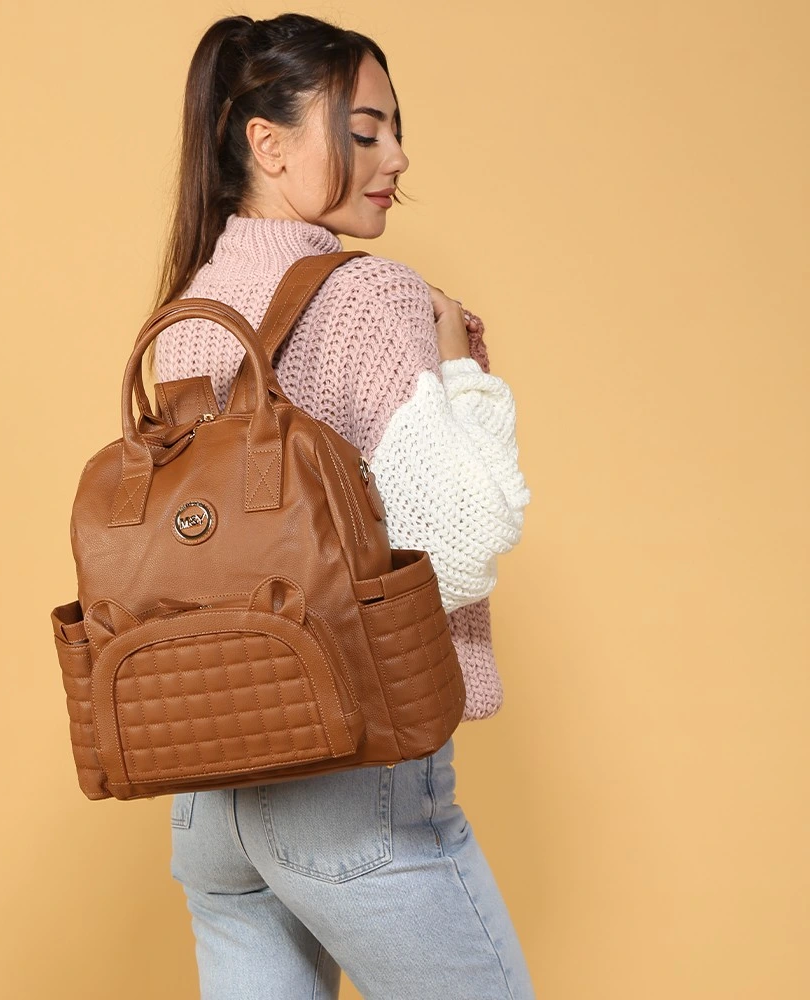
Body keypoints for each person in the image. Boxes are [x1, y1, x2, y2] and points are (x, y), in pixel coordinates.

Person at [145, 12, 535, 999]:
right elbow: (455, 545)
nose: (396, 157)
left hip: (210, 786)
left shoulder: (188, 307)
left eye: (396, 130)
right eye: (364, 131)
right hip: (348, 775)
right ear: (267, 143)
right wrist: (462, 373)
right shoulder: (369, 297)